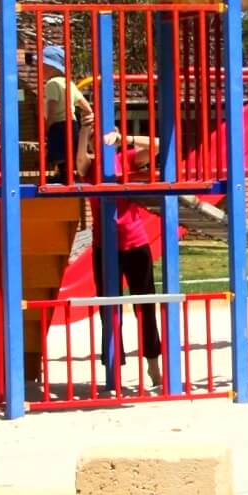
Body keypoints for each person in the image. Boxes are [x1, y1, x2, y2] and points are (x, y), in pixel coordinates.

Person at [77, 125, 165, 390]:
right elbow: (80, 162)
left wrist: (125, 138)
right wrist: (83, 131)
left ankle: (153, 364)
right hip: (104, 247)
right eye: (94, 139)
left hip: (135, 244)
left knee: (146, 307)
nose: (98, 142)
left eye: (102, 137)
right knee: (109, 309)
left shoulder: (125, 158)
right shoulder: (90, 166)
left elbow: (158, 144)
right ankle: (114, 367)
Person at [41, 44, 94, 181]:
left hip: (58, 124)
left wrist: (47, 126)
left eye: (42, 65)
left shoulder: (52, 83)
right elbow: (87, 107)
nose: (40, 69)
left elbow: (52, 108)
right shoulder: (69, 83)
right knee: (70, 151)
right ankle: (68, 175)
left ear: (50, 66)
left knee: (58, 152)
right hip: (73, 124)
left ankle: (63, 176)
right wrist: (87, 120)